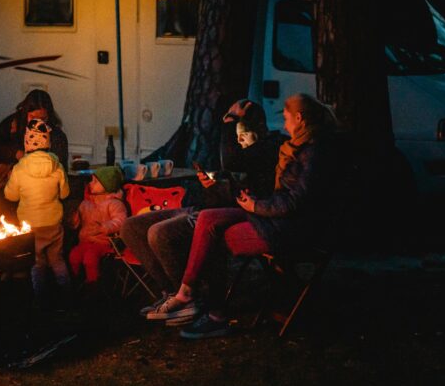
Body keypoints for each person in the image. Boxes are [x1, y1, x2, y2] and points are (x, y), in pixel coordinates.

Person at [148, 93, 337, 339]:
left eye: (287, 116)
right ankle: (188, 294)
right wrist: (230, 192)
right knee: (208, 220)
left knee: (213, 233)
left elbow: (295, 201)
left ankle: (215, 313)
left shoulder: (313, 152)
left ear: (299, 118)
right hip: (272, 218)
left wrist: (255, 206)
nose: (284, 121)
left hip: (291, 229)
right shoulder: (294, 147)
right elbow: (278, 193)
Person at [121, 98, 281, 316]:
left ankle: (189, 297)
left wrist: (228, 121)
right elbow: (221, 198)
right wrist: (212, 187)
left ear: (259, 129)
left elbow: (234, 170)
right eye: (236, 136)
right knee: (131, 227)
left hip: (239, 215)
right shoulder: (243, 154)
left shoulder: (267, 149)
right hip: (209, 208)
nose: (239, 140)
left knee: (158, 233)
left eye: (243, 134)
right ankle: (170, 292)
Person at [4, 117, 71, 309]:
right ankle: (67, 297)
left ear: (27, 142)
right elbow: (65, 193)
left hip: (30, 226)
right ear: (47, 141)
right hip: (53, 223)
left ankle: (41, 300)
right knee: (57, 260)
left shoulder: (19, 169)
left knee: (37, 263)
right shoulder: (56, 166)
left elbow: (10, 196)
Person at [0, 89, 69, 206]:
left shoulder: (56, 135)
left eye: (42, 119)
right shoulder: (13, 123)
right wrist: (15, 153)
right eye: (32, 117)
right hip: (13, 175)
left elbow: (60, 166)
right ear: (25, 112)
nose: (37, 123)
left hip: (41, 179)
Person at [68, 165, 127, 291]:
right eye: (91, 180)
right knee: (74, 255)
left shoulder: (114, 203)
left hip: (103, 242)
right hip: (85, 241)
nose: (91, 183)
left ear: (107, 185)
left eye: (95, 181)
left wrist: (104, 227)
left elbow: (121, 221)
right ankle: (75, 281)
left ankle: (93, 284)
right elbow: (78, 222)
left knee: (90, 258)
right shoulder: (86, 203)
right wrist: (74, 220)